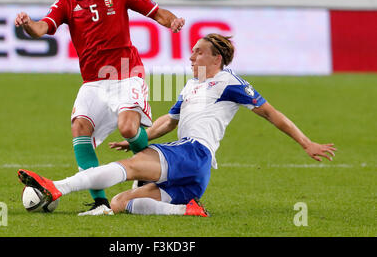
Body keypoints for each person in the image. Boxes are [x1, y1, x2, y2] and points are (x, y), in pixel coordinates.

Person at [17, 33, 337, 217]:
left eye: (198, 53)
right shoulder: (190, 87)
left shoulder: (229, 82)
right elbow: (168, 122)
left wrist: (306, 142)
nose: (191, 57)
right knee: (121, 203)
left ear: (216, 59)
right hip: (195, 174)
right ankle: (188, 210)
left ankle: (58, 186)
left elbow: (271, 113)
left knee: (129, 168)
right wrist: (138, 137)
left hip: (194, 152)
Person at [14, 0, 185, 215]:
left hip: (127, 74)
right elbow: (43, 27)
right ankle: (100, 203)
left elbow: (156, 12)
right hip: (93, 82)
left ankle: (150, 175)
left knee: (128, 128)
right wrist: (28, 25)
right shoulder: (67, 1)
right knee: (80, 127)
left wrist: (173, 21)